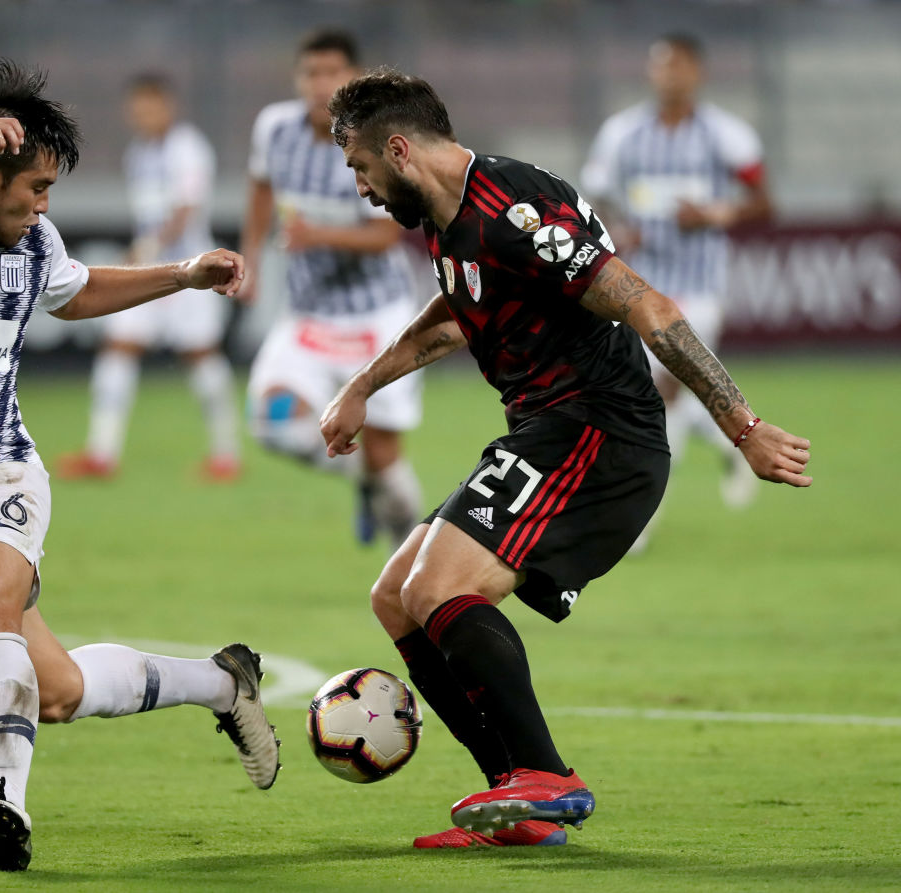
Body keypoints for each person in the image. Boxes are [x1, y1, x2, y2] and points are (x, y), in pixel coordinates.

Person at [321, 68, 811, 849]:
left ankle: (548, 777)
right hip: (548, 430)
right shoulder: (453, 220)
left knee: (438, 584)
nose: (361, 186)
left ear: (401, 150)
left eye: (360, 166)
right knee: (396, 595)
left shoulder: (512, 211)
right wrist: (364, 384)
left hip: (599, 434)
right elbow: (457, 312)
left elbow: (646, 303)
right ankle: (514, 802)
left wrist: (740, 424)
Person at [0, 60, 279, 872]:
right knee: (56, 689)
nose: (42, 206)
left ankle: (6, 801)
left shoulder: (32, 244)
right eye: (36, 187)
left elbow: (75, 290)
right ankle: (220, 682)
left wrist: (181, 274)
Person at [580, 34, 773, 547]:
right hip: (638, 285)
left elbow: (762, 202)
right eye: (662, 66)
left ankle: (637, 515)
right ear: (651, 72)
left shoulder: (724, 135)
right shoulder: (622, 134)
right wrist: (618, 228)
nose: (670, 75)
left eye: (680, 66)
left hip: (699, 286)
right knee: (661, 391)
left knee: (660, 390)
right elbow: (591, 202)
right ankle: (733, 437)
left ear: (698, 73)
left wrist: (711, 214)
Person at [240, 29, 422, 548]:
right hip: (308, 316)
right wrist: (251, 256)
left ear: (353, 79)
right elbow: (259, 187)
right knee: (272, 424)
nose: (320, 84)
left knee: (388, 456)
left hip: (377, 318)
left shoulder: (378, 140)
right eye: (310, 73)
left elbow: (389, 233)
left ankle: (414, 556)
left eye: (332, 73)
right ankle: (368, 481)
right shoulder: (274, 129)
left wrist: (317, 235)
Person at [59, 73, 241, 481]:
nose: (144, 116)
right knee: (119, 347)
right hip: (154, 272)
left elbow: (184, 211)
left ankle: (226, 455)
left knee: (200, 356)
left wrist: (147, 248)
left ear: (168, 106)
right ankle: (101, 454)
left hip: (194, 270)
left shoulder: (188, 148)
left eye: (151, 106)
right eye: (138, 109)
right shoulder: (138, 154)